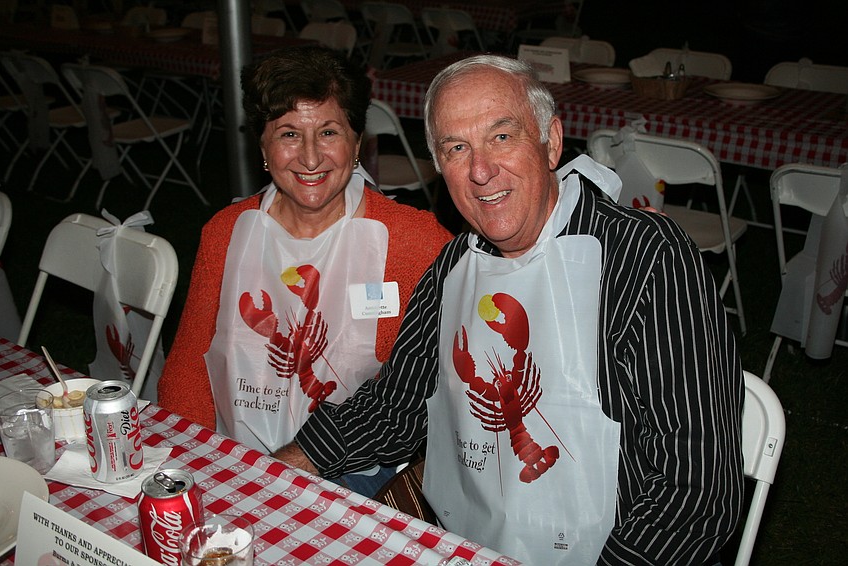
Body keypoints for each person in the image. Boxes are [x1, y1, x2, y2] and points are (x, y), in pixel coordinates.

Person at [276, 54, 745, 565]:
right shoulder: (455, 264)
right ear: (440, 168)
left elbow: (696, 494)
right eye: (457, 148)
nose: (480, 171)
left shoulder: (645, 258)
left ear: (552, 142)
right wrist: (286, 463)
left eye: (502, 137)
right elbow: (397, 407)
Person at [157, 45, 454, 496]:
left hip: (362, 466)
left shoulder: (415, 241)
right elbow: (188, 371)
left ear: (357, 143)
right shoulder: (225, 233)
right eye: (289, 134)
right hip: (234, 456)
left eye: (329, 132)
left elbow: (424, 396)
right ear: (262, 147)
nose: (311, 158)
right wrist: (196, 467)